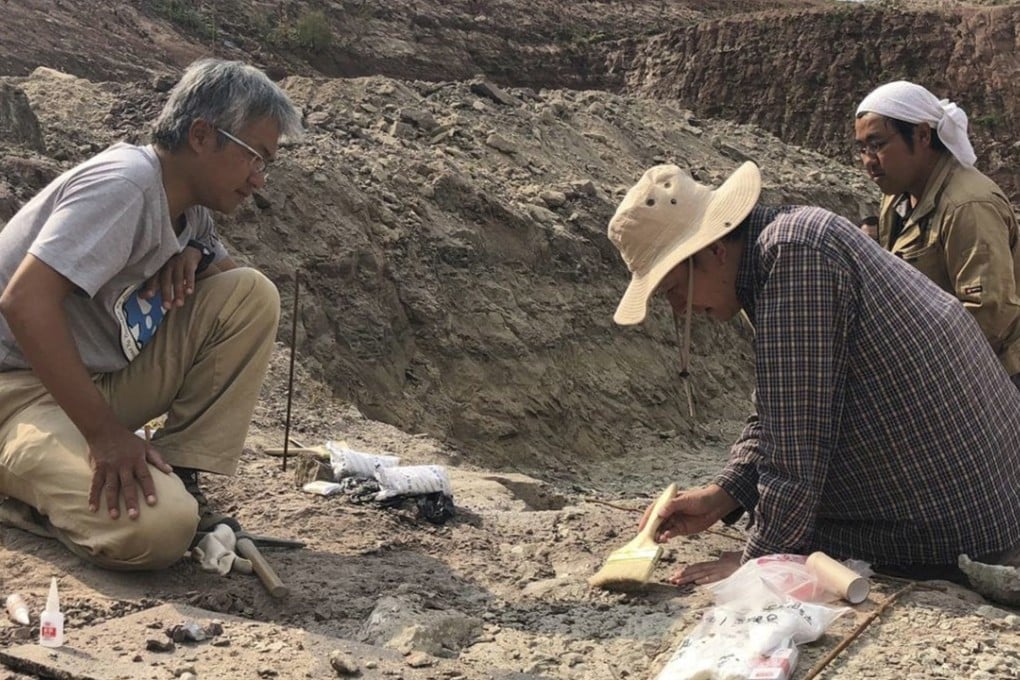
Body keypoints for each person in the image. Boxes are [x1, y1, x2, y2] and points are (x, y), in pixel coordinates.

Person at [607, 161, 1020, 588]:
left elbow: (797, 444)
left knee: (801, 531)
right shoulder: (781, 249)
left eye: (674, 288)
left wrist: (762, 560)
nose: (679, 308)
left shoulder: (796, 260)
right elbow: (776, 406)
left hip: (959, 520)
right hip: (981, 494)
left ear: (714, 250)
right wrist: (724, 493)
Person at [0, 58, 302, 570]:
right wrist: (106, 437)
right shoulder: (125, 186)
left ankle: (179, 473)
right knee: (159, 531)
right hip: (15, 394)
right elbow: (23, 300)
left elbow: (227, 283)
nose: (259, 179)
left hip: (90, 380)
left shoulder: (189, 203)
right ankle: (29, 491)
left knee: (251, 294)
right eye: (255, 157)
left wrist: (194, 253)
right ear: (203, 136)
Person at [854, 80, 1020, 386]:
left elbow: (988, 317)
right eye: (862, 149)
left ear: (922, 136)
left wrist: (913, 371)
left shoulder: (967, 205)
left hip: (992, 378)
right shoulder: (898, 196)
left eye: (877, 145)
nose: (868, 161)